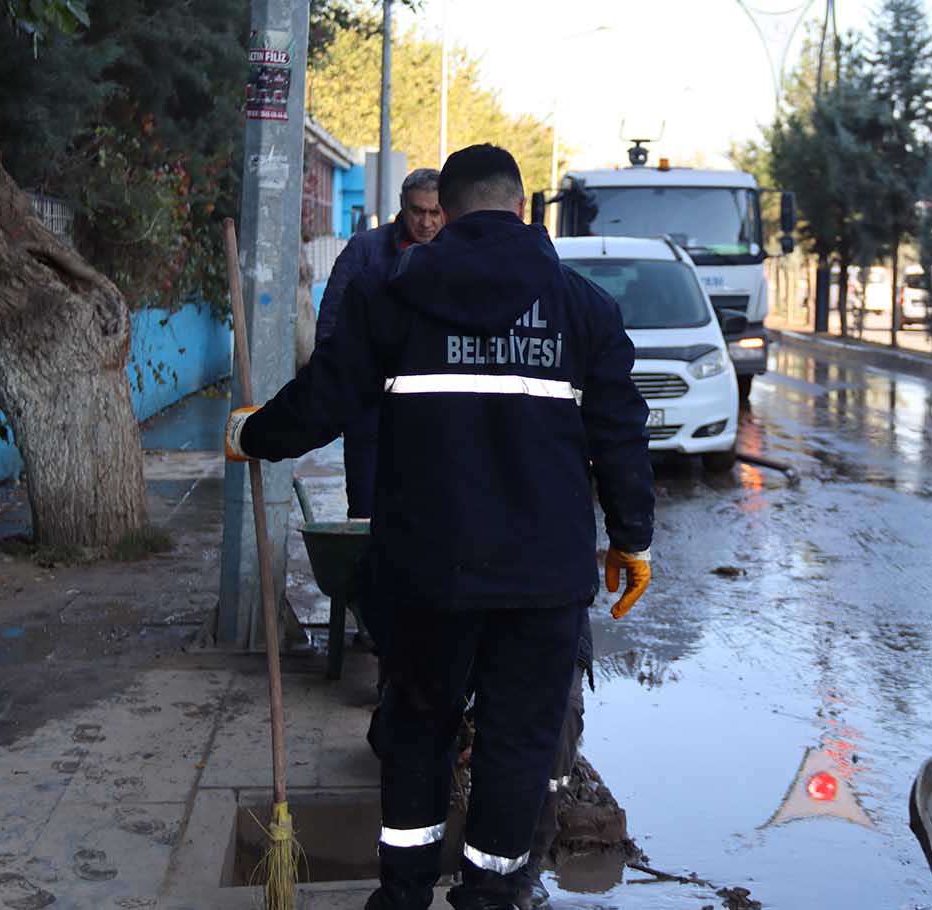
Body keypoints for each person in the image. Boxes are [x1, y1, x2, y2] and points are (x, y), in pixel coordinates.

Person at [224, 143, 655, 910]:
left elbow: (328, 395)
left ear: (445, 214)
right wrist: (631, 538)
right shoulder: (584, 307)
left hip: (427, 572)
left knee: (417, 728)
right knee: (518, 743)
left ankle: (403, 895)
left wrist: (255, 436)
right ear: (522, 208)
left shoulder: (394, 296)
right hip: (542, 581)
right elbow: (621, 433)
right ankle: (490, 896)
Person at [316, 167, 445, 520]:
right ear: (403, 207)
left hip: (433, 419)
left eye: (435, 212)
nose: (426, 222)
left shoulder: (456, 259)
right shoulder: (366, 250)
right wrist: (345, 397)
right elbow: (330, 325)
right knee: (367, 517)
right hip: (369, 414)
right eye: (418, 211)